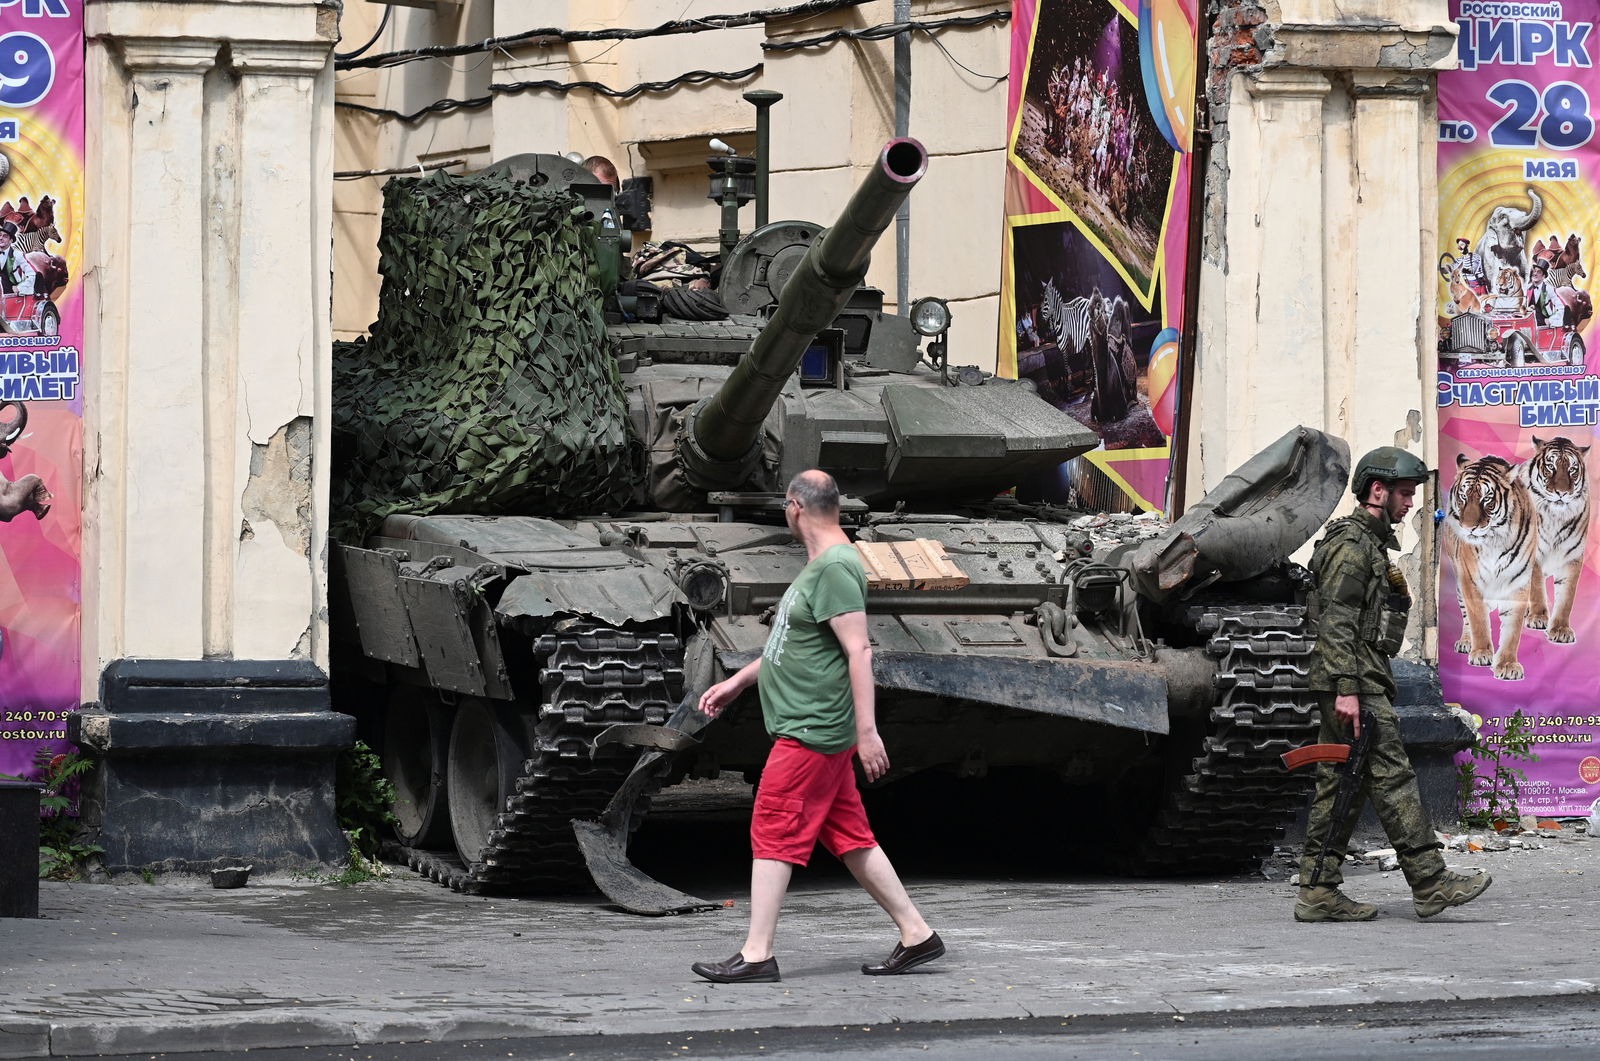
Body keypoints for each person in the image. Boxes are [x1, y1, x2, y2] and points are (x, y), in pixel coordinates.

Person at [690, 470, 943, 983]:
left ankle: (757, 954)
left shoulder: (833, 568)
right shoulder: (820, 566)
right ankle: (918, 935)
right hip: (812, 728)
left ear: (794, 507)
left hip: (811, 729)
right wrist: (739, 682)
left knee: (772, 828)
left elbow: (859, 649)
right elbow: (794, 644)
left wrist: (867, 732)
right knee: (850, 836)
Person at [1296, 447, 1492, 922]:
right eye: (1404, 494)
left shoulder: (1369, 545)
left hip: (1360, 677)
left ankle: (1318, 890)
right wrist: (1346, 687)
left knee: (1344, 783)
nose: (1409, 504)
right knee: (1393, 775)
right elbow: (1337, 621)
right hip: (1354, 681)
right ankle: (1429, 880)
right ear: (1377, 491)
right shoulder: (1352, 546)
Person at [0, 221, 38, 296]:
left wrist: (20, 287)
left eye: (5, 236)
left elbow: (32, 274)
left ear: (11, 241)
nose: (0, 238)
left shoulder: (17, 255)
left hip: (10, 297)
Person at [1526, 260, 1567, 327]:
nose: (1535, 274)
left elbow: (1562, 308)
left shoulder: (1549, 289)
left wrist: (1551, 320)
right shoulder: (1527, 288)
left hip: (1543, 326)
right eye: (1534, 271)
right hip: (1529, 325)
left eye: (1539, 272)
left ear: (1543, 276)